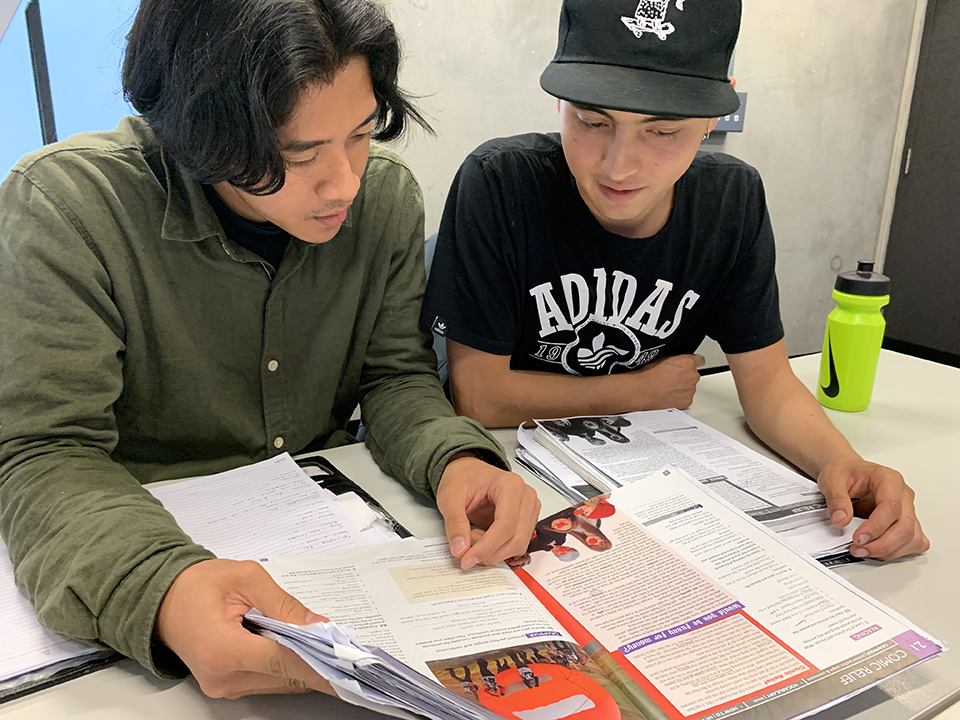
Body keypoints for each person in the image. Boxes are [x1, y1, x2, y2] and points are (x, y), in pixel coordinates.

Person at [0, 0, 540, 701]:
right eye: (296, 154)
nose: (344, 181)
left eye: (360, 133)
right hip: (132, 559)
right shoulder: (68, 208)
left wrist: (457, 457)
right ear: (195, 133)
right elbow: (44, 452)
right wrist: (162, 587)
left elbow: (395, 379)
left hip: (335, 545)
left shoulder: (384, 201)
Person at [421, 0, 927, 562]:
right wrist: (637, 391)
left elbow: (765, 383)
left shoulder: (730, 201)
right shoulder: (499, 184)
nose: (618, 165)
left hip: (645, 484)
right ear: (561, 100)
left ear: (713, 115)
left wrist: (840, 461)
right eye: (591, 121)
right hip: (507, 470)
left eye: (662, 131)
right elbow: (481, 396)